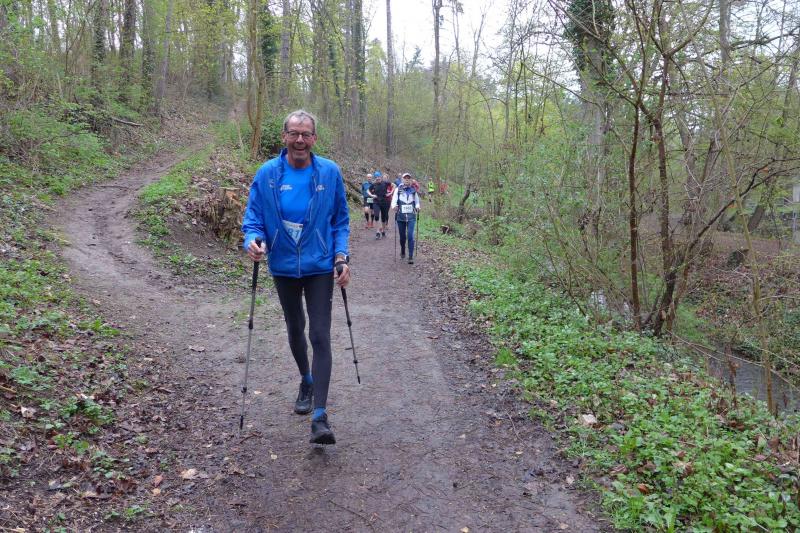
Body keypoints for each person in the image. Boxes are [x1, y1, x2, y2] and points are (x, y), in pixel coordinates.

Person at [241, 109, 351, 445]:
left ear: (314, 138)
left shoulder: (329, 172)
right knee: (295, 329)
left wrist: (341, 256)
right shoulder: (267, 174)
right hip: (284, 265)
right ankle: (306, 379)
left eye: (305, 134)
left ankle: (320, 417)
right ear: (284, 137)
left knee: (320, 335)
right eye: (294, 133)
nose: (299, 140)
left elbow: (341, 220)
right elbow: (253, 218)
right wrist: (253, 240)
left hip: (319, 265)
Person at [391, 172, 421, 264]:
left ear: (410, 180)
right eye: (405, 178)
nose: (407, 180)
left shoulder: (413, 189)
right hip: (401, 217)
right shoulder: (398, 189)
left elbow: (417, 201)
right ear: (402, 179)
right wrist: (394, 206)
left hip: (411, 216)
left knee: (410, 235)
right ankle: (403, 250)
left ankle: (410, 256)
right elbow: (394, 201)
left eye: (408, 178)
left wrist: (417, 206)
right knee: (402, 237)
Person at [368, 172, 392, 239]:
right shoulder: (373, 184)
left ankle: (383, 231)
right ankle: (378, 232)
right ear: (375, 178)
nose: (377, 178)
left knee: (383, 217)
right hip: (376, 202)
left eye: (378, 177)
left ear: (380, 177)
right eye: (376, 177)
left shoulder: (385, 183)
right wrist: (371, 195)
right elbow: (368, 190)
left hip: (384, 202)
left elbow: (394, 185)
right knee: (376, 216)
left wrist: (390, 193)